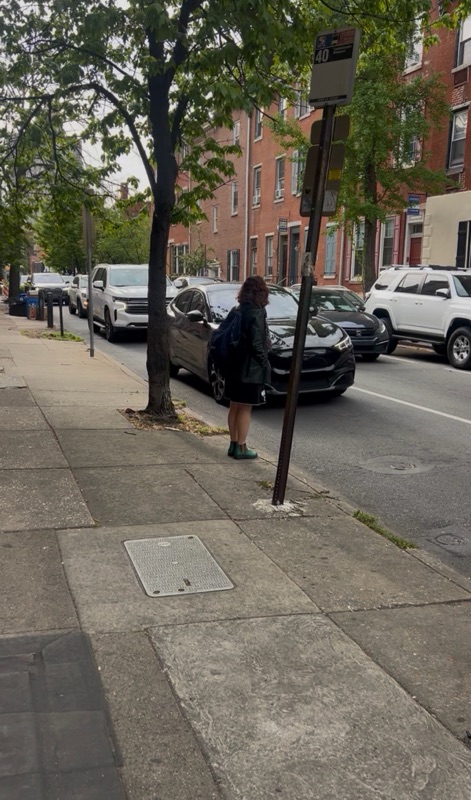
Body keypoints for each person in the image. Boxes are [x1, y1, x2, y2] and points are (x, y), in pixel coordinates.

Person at [225, 275, 270, 460]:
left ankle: (233, 444)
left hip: (234, 364)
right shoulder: (256, 312)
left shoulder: (238, 309)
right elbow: (256, 342)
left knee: (234, 406)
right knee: (245, 408)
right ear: (261, 292)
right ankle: (242, 447)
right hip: (249, 368)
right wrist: (264, 362)